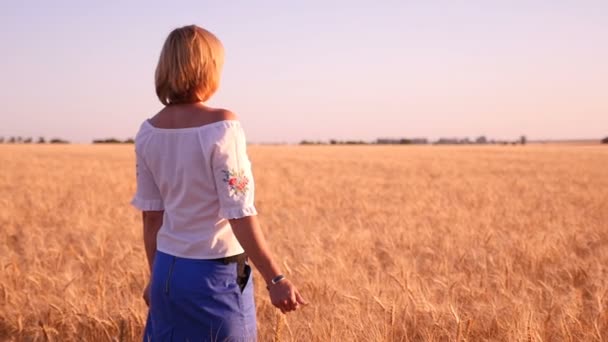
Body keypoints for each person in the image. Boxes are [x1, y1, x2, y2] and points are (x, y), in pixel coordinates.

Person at [131, 25, 307, 341]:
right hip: (215, 276)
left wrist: (155, 276)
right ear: (208, 68)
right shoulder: (221, 126)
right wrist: (275, 278)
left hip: (167, 272)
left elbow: (151, 218)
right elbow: (238, 212)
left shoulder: (148, 131)